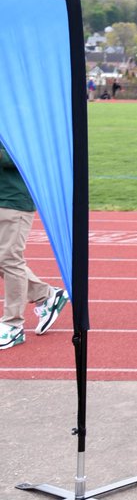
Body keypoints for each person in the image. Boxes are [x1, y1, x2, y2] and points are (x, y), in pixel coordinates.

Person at [0, 141, 69, 350]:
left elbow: (22, 156)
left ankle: (13, 325)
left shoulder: (17, 122)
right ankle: (46, 295)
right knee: (4, 259)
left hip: (13, 201)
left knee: (9, 259)